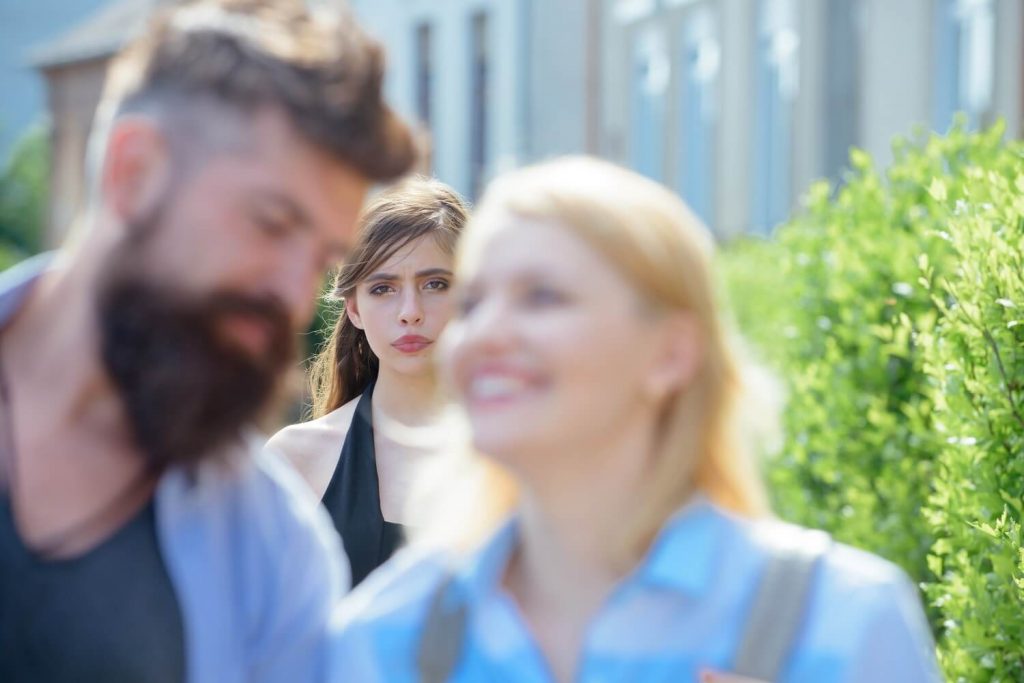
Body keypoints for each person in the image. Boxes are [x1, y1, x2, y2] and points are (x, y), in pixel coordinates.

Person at [328, 157, 942, 682]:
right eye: (475, 302)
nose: (483, 334)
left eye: (542, 296)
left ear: (671, 352)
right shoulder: (384, 636)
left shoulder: (844, 624)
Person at [0, 1, 416, 681]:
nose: (293, 291)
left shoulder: (274, 558)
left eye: (320, 259)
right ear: (133, 173)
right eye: (271, 222)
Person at [266, 177, 469, 587]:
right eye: (383, 289)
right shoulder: (296, 460)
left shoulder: (526, 453)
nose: (410, 312)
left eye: (435, 284)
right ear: (354, 309)